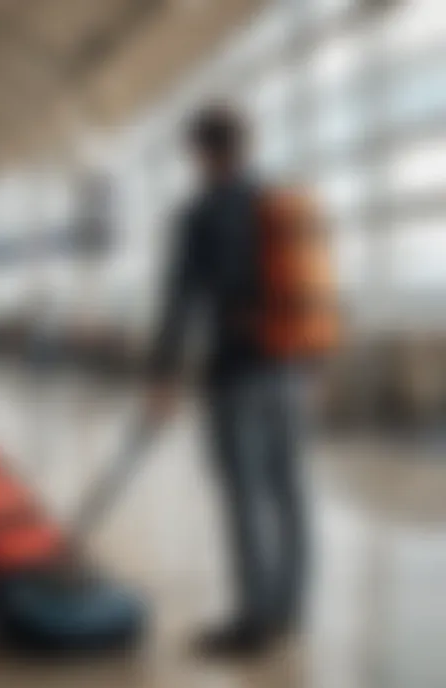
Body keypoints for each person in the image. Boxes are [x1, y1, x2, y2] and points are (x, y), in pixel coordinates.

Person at [147, 104, 323, 659]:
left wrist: (163, 376)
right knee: (290, 493)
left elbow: (181, 301)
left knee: (244, 497)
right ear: (245, 145)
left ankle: (253, 622)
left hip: (237, 374)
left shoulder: (201, 213)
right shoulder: (281, 203)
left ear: (199, 152)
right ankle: (289, 610)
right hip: (291, 370)